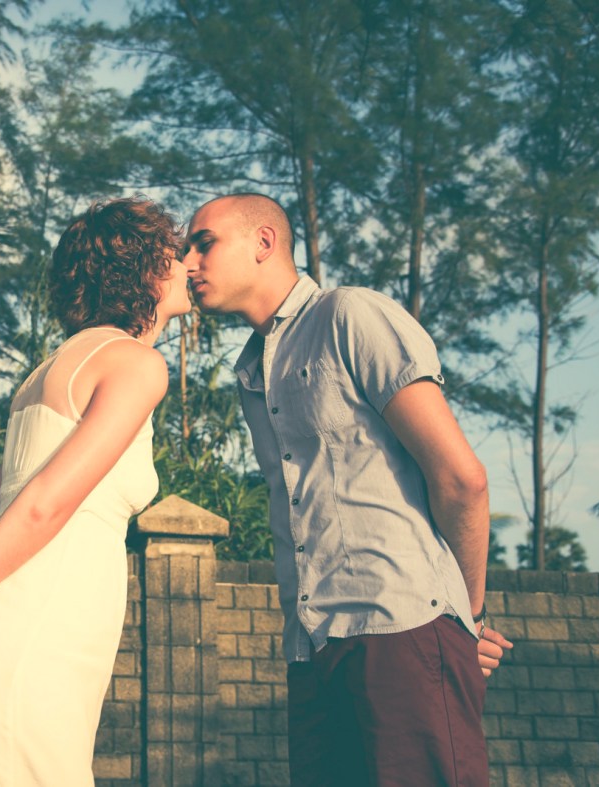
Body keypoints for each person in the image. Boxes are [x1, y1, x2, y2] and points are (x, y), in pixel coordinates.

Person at [181, 193, 514, 785]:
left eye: (203, 242)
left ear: (264, 243)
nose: (187, 261)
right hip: (312, 652)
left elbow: (462, 479)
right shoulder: (253, 372)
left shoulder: (350, 315)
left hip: (402, 634)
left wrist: (469, 620)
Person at [0, 196, 191, 785]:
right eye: (174, 249)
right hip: (28, 647)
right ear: (145, 269)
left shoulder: (47, 371)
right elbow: (43, 504)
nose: (186, 259)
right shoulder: (135, 364)